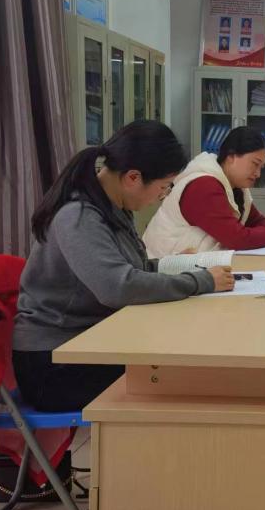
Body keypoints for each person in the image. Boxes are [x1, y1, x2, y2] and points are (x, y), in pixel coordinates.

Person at [12, 121, 235, 412]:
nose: (162, 196)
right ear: (133, 177)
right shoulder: (78, 216)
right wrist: (201, 281)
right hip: (54, 364)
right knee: (178, 374)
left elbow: (134, 269)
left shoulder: (112, 208)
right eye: (163, 187)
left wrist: (186, 269)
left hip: (86, 343)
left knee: (182, 361)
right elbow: (119, 287)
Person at [143, 127, 265, 257]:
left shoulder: (237, 188)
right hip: (163, 271)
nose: (258, 174)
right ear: (231, 157)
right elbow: (236, 238)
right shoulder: (203, 185)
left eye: (261, 167)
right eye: (255, 164)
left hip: (194, 269)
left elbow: (256, 222)